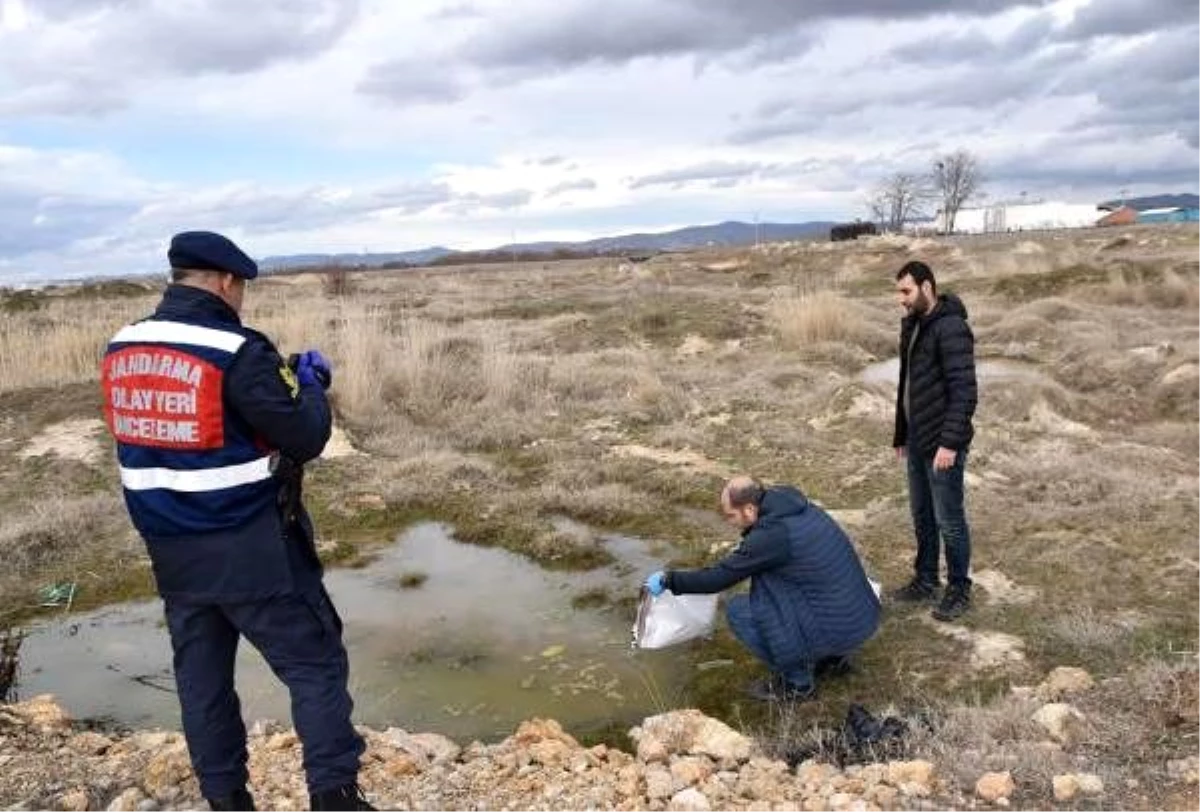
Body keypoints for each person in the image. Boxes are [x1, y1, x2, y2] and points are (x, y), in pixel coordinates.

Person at [100, 232, 375, 812]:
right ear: (226, 281)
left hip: (171, 552)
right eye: (241, 287)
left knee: (203, 683)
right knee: (315, 665)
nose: (242, 298)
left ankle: (226, 801)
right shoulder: (235, 350)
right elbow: (305, 436)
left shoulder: (122, 347)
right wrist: (312, 383)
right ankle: (336, 798)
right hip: (253, 547)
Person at [644, 476, 881, 701]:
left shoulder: (771, 537)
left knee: (740, 610)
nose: (729, 522)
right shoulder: (797, 508)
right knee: (777, 586)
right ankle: (831, 661)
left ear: (748, 509)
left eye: (730, 515)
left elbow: (715, 580)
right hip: (859, 617)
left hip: (839, 628)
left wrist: (668, 580)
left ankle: (798, 684)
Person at [891, 260, 978, 622]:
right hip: (917, 440)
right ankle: (926, 579)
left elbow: (965, 392)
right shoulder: (913, 326)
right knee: (922, 515)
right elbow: (907, 386)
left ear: (927, 287)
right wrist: (901, 433)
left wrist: (950, 443)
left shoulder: (952, 328)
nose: (901, 300)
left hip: (943, 445)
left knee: (949, 520)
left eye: (906, 291)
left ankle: (959, 588)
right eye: (899, 292)